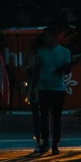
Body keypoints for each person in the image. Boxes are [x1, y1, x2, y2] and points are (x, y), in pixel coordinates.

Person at [30, 24, 72, 154]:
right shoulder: (41, 52)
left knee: (56, 117)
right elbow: (37, 69)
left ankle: (55, 143)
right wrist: (34, 87)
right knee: (44, 117)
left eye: (47, 36)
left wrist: (65, 68)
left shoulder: (64, 52)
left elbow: (67, 70)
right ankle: (46, 141)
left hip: (58, 88)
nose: (45, 39)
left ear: (54, 37)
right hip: (44, 87)